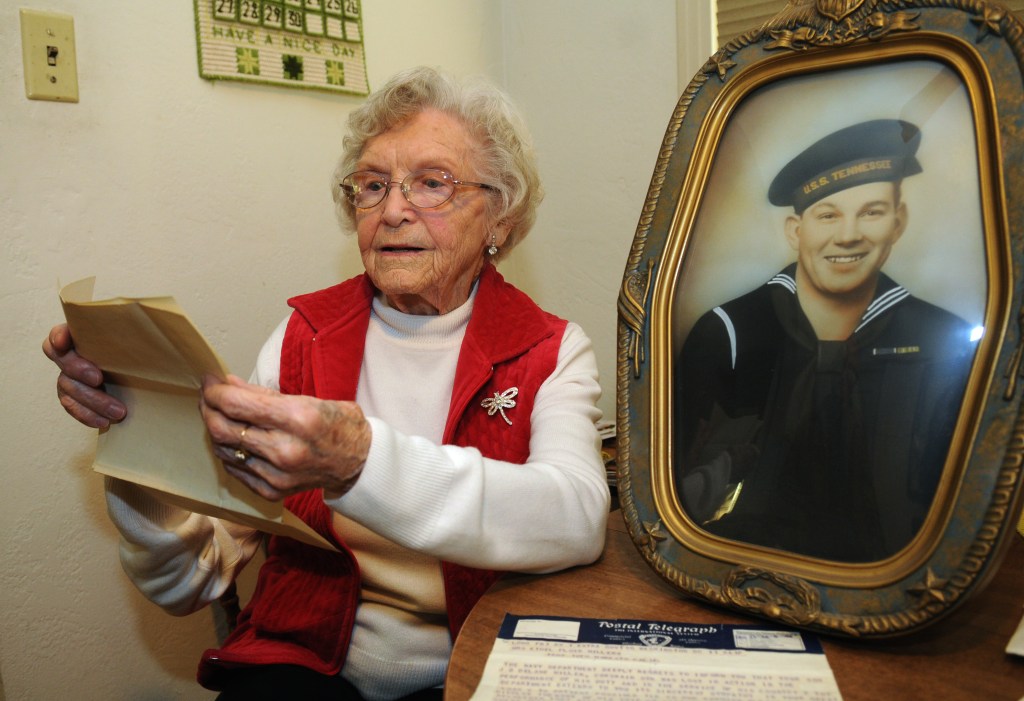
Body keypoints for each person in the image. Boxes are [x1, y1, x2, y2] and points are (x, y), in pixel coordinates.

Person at [42, 66, 610, 700]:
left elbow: (576, 517)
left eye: (431, 183)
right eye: (372, 185)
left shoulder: (550, 348)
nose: (393, 209)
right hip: (306, 667)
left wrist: (359, 461)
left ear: (500, 217)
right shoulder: (302, 336)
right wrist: (138, 436)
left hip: (471, 676)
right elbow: (191, 581)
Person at [675, 119, 976, 562]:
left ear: (898, 221)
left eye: (871, 211)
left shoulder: (942, 341)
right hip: (730, 570)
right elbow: (684, 486)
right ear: (796, 230)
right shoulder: (729, 334)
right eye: (828, 214)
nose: (849, 234)